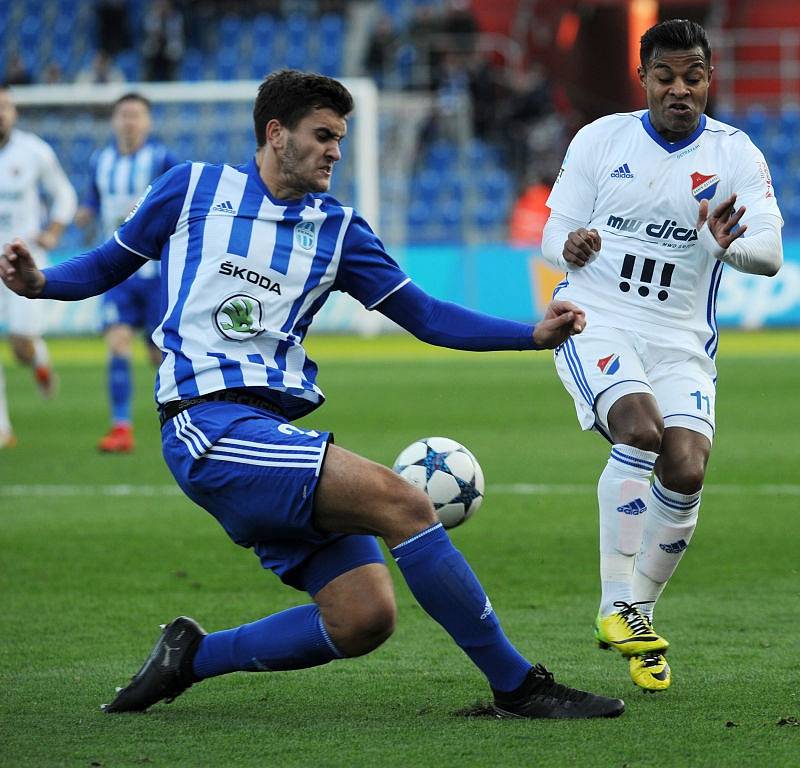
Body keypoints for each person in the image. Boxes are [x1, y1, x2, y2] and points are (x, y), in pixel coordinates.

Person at [1, 70, 624, 720]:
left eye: (340, 138)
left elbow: (427, 316)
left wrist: (531, 335)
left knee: (363, 617)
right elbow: (108, 262)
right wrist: (40, 281)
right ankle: (519, 687)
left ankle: (191, 656)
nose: (335, 150)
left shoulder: (340, 230)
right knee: (404, 502)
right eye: (322, 136)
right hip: (206, 424)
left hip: (270, 432)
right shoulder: (192, 188)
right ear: (276, 134)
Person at [540, 19, 783, 692]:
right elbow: (552, 231)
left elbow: (768, 255)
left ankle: (637, 612)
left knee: (687, 466)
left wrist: (725, 242)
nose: (680, 90)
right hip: (598, 320)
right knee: (642, 431)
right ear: (642, 78)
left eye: (694, 77)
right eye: (666, 77)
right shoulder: (600, 140)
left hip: (680, 340)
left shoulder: (735, 155)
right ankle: (617, 604)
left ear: (710, 79)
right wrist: (571, 248)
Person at [75, 93, 179, 453]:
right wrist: (85, 213)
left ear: (148, 122)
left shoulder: (162, 158)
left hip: (157, 275)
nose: (129, 121)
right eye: (123, 115)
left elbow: (179, 202)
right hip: (116, 273)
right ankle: (121, 428)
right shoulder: (100, 161)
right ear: (114, 121)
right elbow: (93, 198)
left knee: (158, 354)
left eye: (136, 115)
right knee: (117, 343)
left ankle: (187, 414)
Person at [0, 84, 77, 447]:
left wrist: (55, 230)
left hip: (23, 259)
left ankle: (39, 359)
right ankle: (3, 429)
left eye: (4, 106)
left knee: (20, 345)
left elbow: (64, 193)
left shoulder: (33, 152)